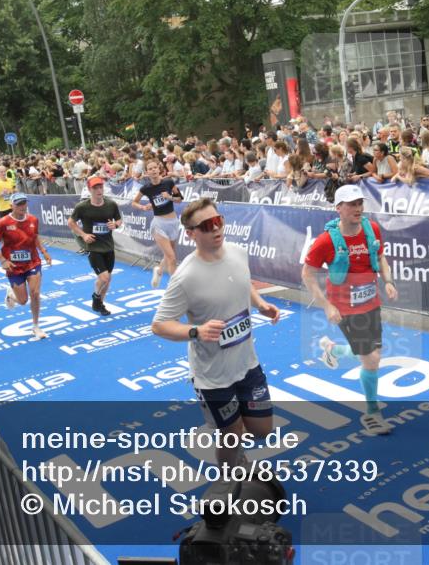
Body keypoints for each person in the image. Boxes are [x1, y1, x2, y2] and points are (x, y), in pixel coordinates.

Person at [152, 199, 280, 472]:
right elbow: (160, 325)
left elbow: (242, 281)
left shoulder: (238, 252)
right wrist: (196, 331)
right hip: (213, 376)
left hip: (247, 364)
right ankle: (229, 477)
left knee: (262, 429)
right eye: (207, 225)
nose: (216, 228)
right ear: (191, 234)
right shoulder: (186, 277)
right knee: (231, 434)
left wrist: (260, 303)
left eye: (218, 221)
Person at [302, 185, 399, 435]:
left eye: (359, 203)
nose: (358, 208)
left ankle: (332, 350)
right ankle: (372, 413)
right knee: (372, 360)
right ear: (338, 208)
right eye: (351, 204)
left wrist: (388, 281)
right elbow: (307, 274)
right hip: (345, 308)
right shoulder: (326, 241)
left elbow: (381, 257)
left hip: (371, 303)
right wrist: (326, 305)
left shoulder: (371, 229)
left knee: (372, 354)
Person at [0, 192, 52, 339]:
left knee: (35, 293)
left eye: (24, 203)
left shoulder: (33, 220)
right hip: (13, 266)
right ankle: (11, 294)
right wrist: (2, 260)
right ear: (12, 206)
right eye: (19, 204)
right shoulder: (3, 223)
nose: (22, 206)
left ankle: (36, 326)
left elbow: (35, 237)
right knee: (23, 301)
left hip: (33, 262)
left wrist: (43, 251)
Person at [67, 176, 123, 315]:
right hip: (93, 248)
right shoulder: (82, 207)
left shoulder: (111, 204)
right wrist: (83, 235)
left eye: (100, 187)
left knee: (107, 280)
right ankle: (96, 297)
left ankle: (100, 303)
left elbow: (119, 219)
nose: (99, 190)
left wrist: (115, 225)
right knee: (104, 277)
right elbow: (71, 222)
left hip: (108, 246)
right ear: (89, 189)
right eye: (95, 188)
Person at [133, 160, 183, 289]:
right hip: (158, 224)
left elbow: (179, 199)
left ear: (159, 169)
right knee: (172, 257)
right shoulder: (146, 188)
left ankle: (159, 270)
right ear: (147, 172)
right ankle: (176, 287)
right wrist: (143, 207)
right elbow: (134, 202)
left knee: (169, 254)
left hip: (173, 222)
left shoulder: (168, 182)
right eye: (150, 169)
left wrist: (169, 197)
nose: (154, 170)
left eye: (155, 167)